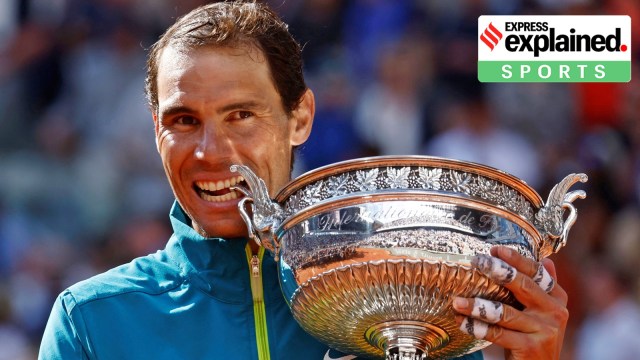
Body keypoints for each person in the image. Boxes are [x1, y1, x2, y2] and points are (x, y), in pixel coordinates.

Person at [38, 2, 568, 359]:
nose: (211, 152)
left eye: (241, 115)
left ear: (301, 118)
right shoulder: (93, 323)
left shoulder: (413, 296)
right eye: (184, 121)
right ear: (157, 132)